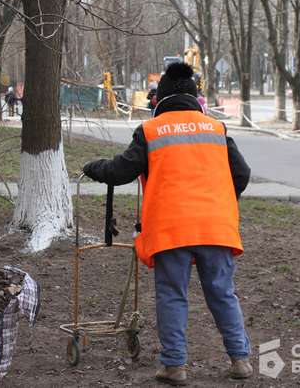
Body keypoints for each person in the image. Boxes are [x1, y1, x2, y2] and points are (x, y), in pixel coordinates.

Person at [83, 63, 252, 385]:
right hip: (216, 226)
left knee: (172, 294)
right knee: (222, 293)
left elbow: (121, 171)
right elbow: (241, 174)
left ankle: (174, 366)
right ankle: (240, 360)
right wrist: (220, 203)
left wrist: (94, 167)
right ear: (195, 97)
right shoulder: (216, 128)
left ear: (160, 98)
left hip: (171, 228)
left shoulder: (151, 130)